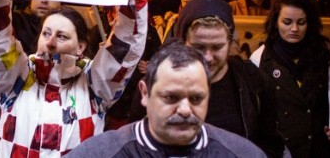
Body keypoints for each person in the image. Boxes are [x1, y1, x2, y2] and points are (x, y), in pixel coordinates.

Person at [0, 0, 149, 157]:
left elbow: (127, 44)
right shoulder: (16, 79)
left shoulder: (95, 86)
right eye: (46, 33)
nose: (50, 42)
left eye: (61, 36)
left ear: (80, 46)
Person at [66, 44, 267, 157]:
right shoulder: (98, 154)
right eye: (171, 97)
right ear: (145, 93)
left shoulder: (243, 154)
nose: (186, 110)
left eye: (197, 98)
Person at [175, 0, 285, 157]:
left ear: (230, 42)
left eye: (217, 47)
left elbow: (271, 144)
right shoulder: (159, 83)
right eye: (199, 47)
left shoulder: (254, 80)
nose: (208, 57)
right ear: (183, 42)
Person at [250, 0, 330, 158]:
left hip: (320, 147)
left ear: (309, 23)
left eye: (301, 22)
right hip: (281, 149)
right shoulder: (259, 58)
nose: (294, 29)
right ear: (276, 23)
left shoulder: (326, 56)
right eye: (287, 22)